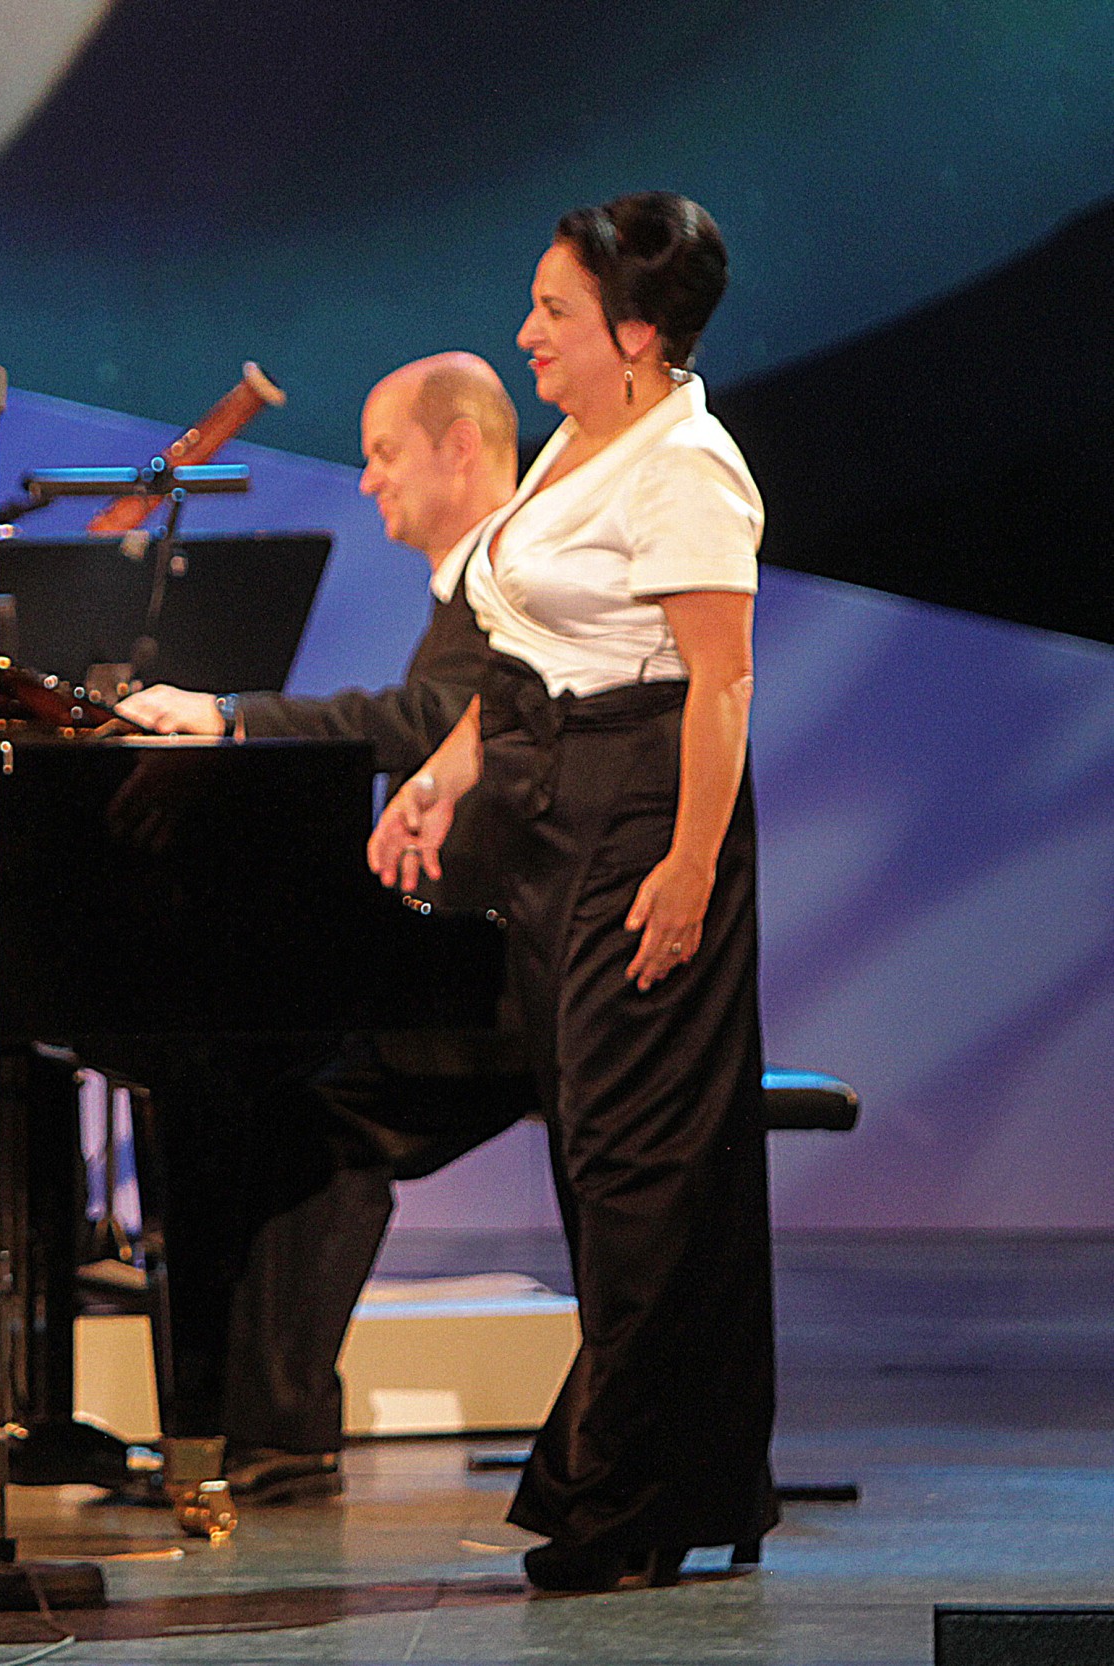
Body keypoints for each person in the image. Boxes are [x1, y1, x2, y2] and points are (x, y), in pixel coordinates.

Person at [368, 192, 774, 1591]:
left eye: (555, 310)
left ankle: (631, 1493)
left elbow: (719, 685)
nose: (527, 332)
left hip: (648, 809)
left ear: (638, 331)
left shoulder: (687, 466)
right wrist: (442, 775)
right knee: (595, 1157)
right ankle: (674, 1475)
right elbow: (523, 655)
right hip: (554, 809)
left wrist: (690, 868)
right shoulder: (572, 447)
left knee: (636, 1162)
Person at [116, 353, 540, 1503]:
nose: (365, 480)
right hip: (482, 944)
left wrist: (232, 717)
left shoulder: (512, 563)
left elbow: (428, 716)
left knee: (316, 1115)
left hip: (524, 965)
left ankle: (274, 1436)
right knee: (295, 1102)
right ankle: (263, 1433)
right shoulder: (485, 571)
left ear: (460, 445)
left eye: (383, 452)